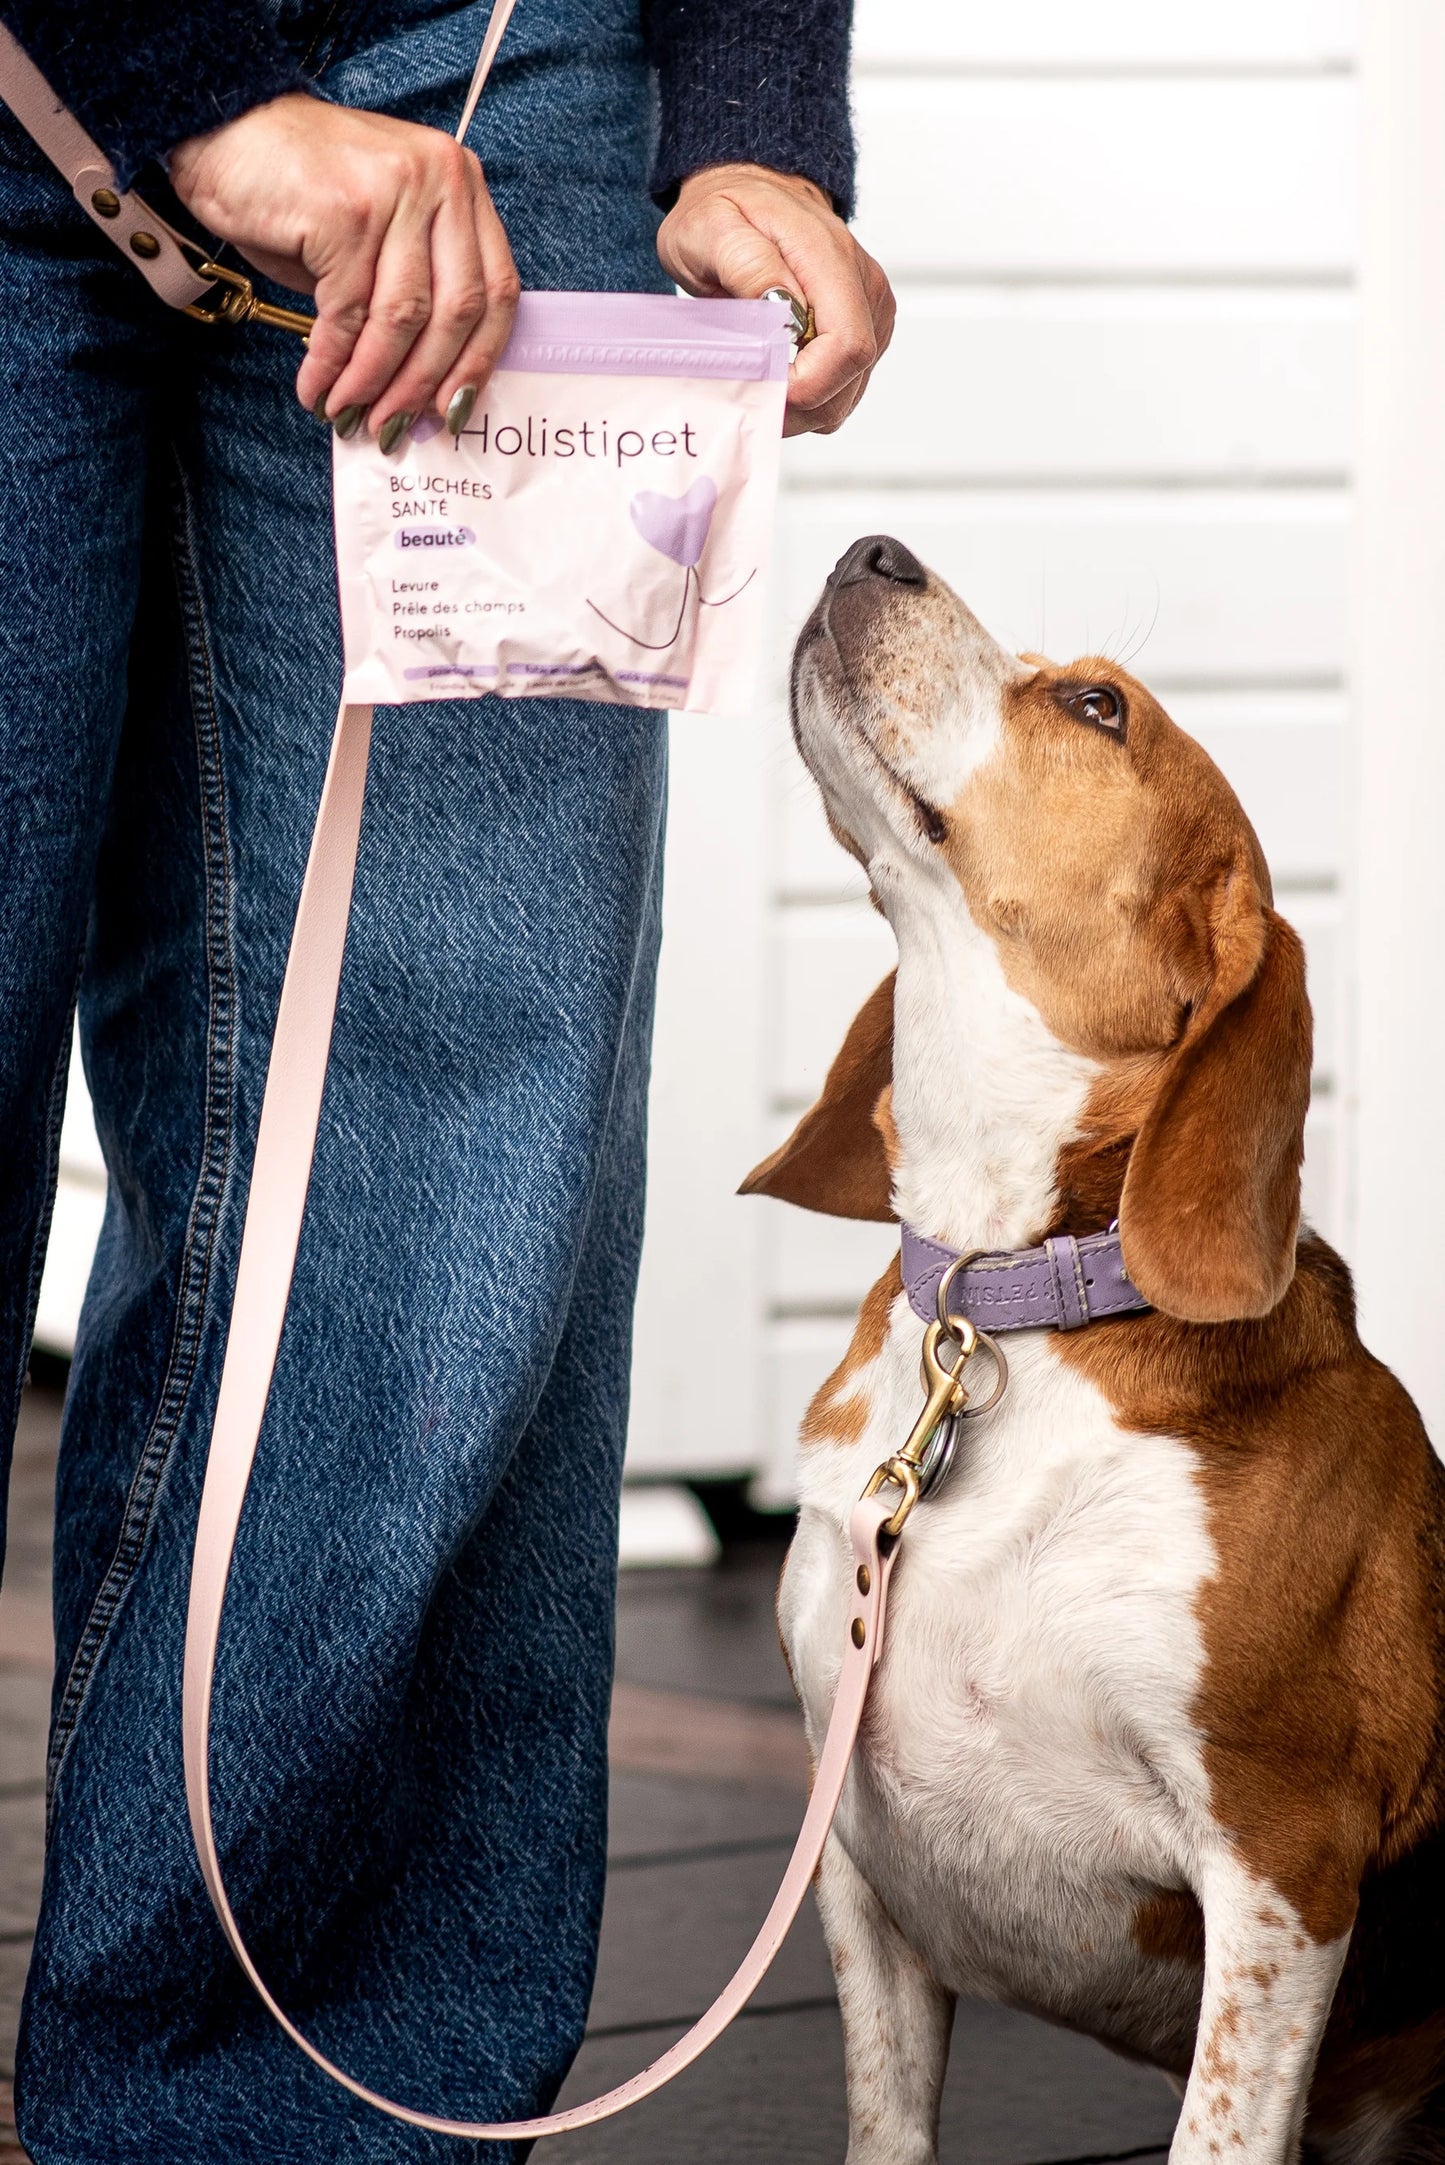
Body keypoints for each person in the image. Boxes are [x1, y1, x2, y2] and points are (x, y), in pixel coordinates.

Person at [0, 1, 893, 2157]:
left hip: (494, 106)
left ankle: (276, 2120)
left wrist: (754, 114)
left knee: (450, 1192)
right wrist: (184, 84)